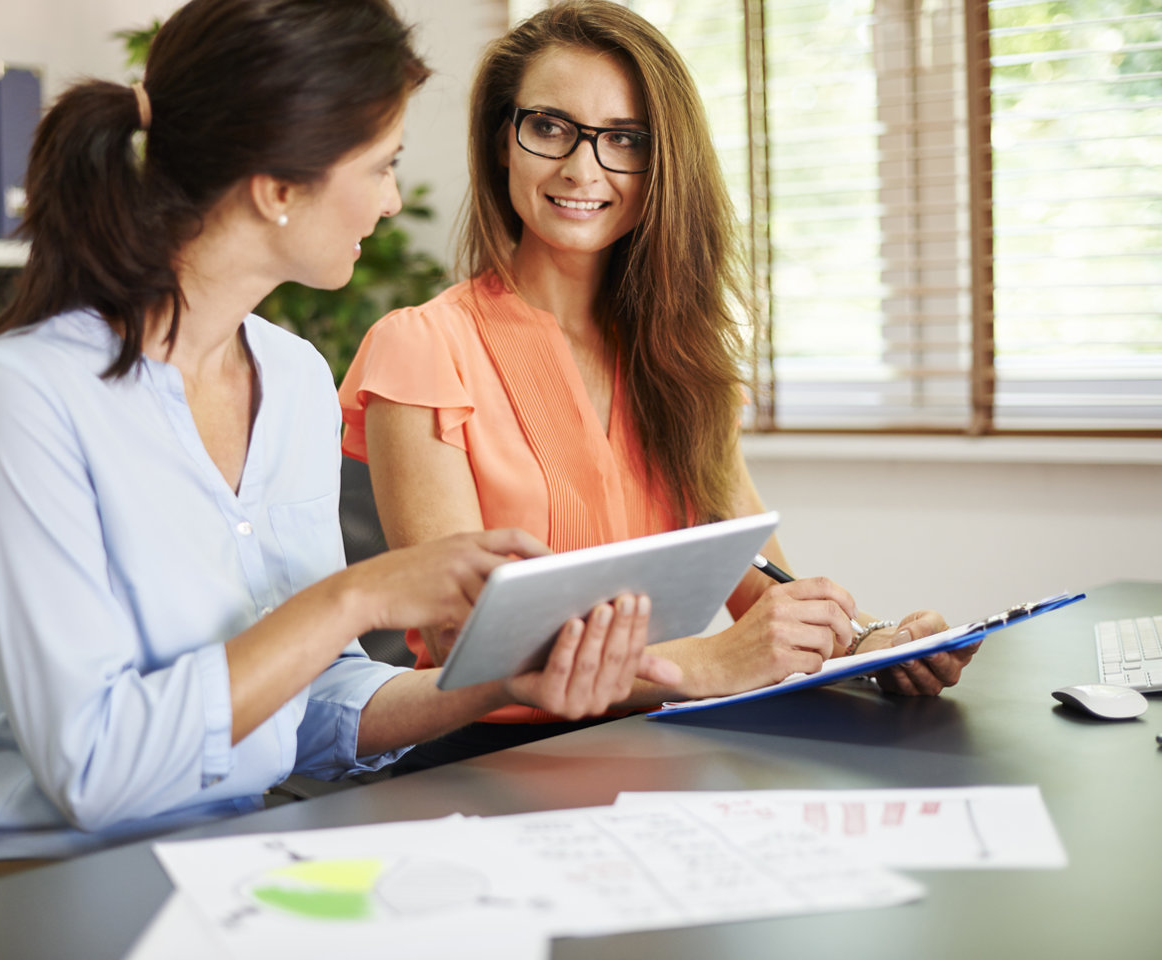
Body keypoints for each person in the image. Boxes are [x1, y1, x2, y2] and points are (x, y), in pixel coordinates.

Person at [0, 0, 680, 888]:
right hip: (40, 880)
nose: (395, 200)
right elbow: (94, 768)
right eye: (383, 165)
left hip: (239, 860)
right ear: (278, 187)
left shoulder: (296, 379)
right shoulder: (28, 394)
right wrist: (353, 598)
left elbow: (316, 706)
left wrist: (507, 685)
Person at [338, 0, 976, 770]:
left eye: (625, 141)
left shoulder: (679, 356)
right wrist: (699, 667)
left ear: (662, 161)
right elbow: (463, 644)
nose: (582, 168)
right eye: (549, 127)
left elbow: (761, 589)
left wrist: (870, 642)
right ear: (501, 141)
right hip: (488, 758)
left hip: (664, 747)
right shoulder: (419, 346)